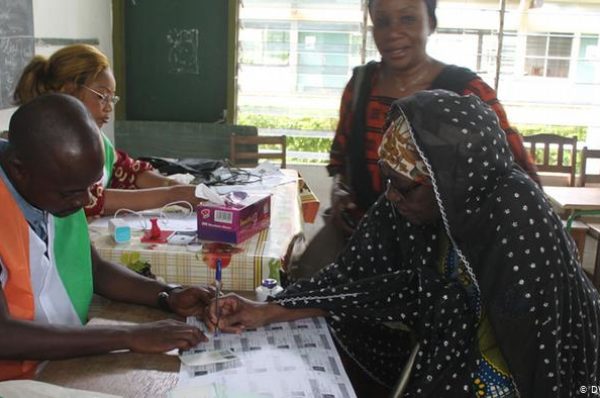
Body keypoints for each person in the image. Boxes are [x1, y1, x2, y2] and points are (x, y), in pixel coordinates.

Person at [209, 90, 599, 397]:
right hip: (453, 353)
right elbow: (352, 278)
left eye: (403, 186)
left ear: (448, 182)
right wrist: (269, 309)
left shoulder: (518, 218)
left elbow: (545, 358)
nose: (391, 197)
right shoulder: (412, 196)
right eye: (388, 180)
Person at [290, 0, 540, 279]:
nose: (393, 32)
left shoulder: (466, 94)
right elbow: (340, 156)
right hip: (358, 245)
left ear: (431, 23)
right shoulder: (360, 86)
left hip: (436, 265)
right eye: (382, 21)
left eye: (407, 19)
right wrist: (339, 189)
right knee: (302, 283)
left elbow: (516, 183)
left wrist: (441, 203)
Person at [0, 94, 212, 380]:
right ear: (19, 170)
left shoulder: (55, 186)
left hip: (61, 360)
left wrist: (168, 296)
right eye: (72, 192)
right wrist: (128, 336)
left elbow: (95, 269)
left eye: (90, 186)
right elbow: (4, 335)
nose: (87, 200)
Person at [12, 44, 201, 218]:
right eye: (102, 96)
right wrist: (169, 196)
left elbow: (128, 171)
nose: (109, 107)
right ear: (69, 91)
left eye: (112, 99)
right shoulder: (47, 148)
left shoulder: (99, 142)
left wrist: (172, 186)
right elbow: (91, 201)